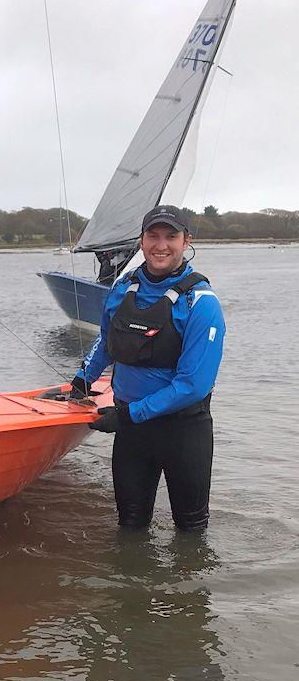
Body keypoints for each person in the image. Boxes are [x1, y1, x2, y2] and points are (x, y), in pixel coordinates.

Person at [70, 205, 225, 532]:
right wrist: (82, 379)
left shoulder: (202, 302)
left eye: (171, 236)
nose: (161, 245)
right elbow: (105, 339)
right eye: (153, 236)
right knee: (129, 527)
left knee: (191, 531)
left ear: (186, 241)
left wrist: (128, 416)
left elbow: (193, 385)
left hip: (183, 432)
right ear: (141, 241)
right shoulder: (122, 288)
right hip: (132, 435)